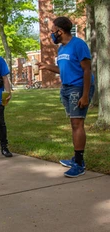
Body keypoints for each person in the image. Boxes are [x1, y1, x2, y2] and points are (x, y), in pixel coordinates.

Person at [37, 17, 95, 178]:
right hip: (67, 88)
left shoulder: (79, 45)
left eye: (52, 31)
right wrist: (46, 66)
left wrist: (85, 95)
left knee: (77, 124)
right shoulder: (61, 48)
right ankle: (76, 158)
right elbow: (64, 69)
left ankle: (79, 163)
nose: (51, 34)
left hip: (79, 87)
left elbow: (87, 70)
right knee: (74, 123)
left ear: (60, 31)